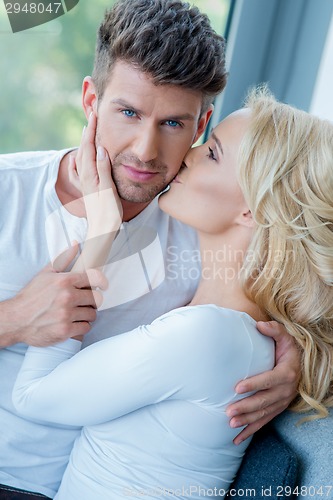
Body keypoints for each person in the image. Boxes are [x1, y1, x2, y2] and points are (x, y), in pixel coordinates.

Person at [0, 1, 298, 498]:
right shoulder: (8, 191)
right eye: (129, 112)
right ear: (91, 99)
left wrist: (294, 366)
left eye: (173, 124)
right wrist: (12, 319)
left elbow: (271, 299)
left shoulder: (199, 231)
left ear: (200, 127)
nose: (144, 149)